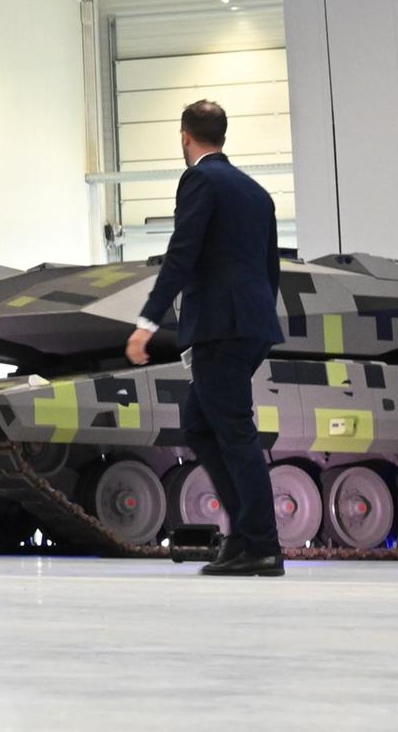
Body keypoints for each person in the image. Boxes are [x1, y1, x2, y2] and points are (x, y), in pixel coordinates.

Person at [126, 98, 285, 577]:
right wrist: (255, 319)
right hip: (251, 326)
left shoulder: (199, 180)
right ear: (223, 135)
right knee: (199, 424)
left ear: (185, 137)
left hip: (220, 327)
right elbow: (270, 269)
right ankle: (243, 537)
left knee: (235, 432)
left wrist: (147, 321)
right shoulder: (258, 194)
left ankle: (263, 546)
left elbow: (182, 254)